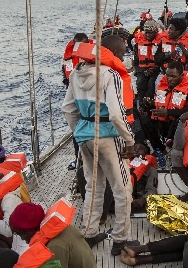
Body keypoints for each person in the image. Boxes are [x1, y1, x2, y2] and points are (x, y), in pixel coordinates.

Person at [61, 35, 136, 255]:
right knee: (123, 189)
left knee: (93, 187)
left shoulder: (76, 73)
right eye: (121, 55)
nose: (122, 59)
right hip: (109, 137)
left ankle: (89, 233)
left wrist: (80, 131)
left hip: (84, 136)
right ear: (111, 54)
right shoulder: (109, 75)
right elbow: (115, 114)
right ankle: (121, 240)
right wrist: (129, 140)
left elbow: (68, 109)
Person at [9, 201, 95, 268]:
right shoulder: (60, 230)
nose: (22, 238)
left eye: (20, 234)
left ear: (29, 230)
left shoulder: (54, 247)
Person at [141, 61, 188, 154]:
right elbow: (159, 103)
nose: (169, 79)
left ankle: (176, 148)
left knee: (181, 120)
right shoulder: (162, 83)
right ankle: (160, 150)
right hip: (162, 121)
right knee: (145, 120)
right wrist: (150, 104)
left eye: (173, 76)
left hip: (178, 122)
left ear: (181, 75)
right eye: (168, 75)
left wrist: (168, 112)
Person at [62, 33, 90, 170]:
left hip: (89, 93)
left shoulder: (92, 54)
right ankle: (78, 157)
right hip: (74, 91)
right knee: (77, 129)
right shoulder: (69, 55)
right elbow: (65, 73)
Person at [133, 19, 162, 104]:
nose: (148, 35)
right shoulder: (137, 45)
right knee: (140, 83)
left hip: (156, 70)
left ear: (156, 32)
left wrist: (154, 69)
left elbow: (162, 60)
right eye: (146, 32)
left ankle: (150, 104)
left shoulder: (161, 43)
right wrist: (142, 71)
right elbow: (136, 62)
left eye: (150, 32)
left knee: (152, 84)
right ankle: (141, 105)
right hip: (142, 70)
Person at [129, 143, 158, 213]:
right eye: (134, 147)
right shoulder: (122, 164)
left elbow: (152, 189)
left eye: (140, 149)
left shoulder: (151, 170)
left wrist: (143, 199)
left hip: (137, 201)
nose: (136, 150)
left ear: (146, 154)